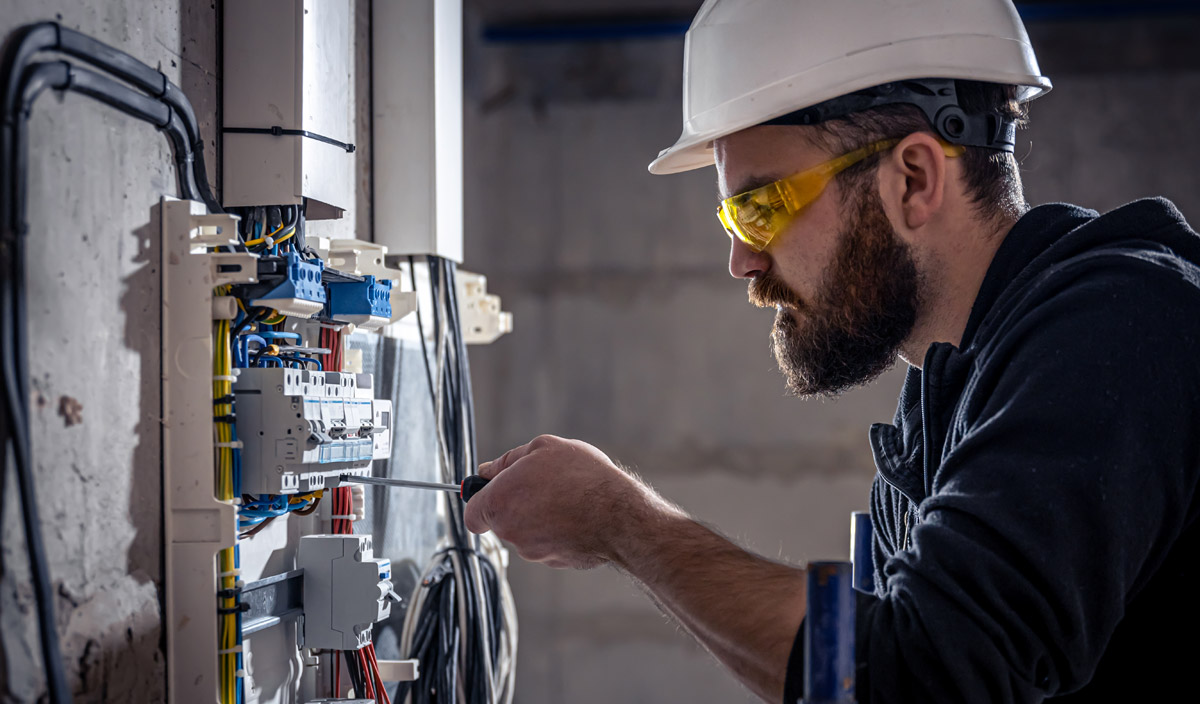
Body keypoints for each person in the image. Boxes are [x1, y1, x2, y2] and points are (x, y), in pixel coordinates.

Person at [463, 1, 1200, 701]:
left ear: (914, 177)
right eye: (731, 215)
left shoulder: (1121, 328)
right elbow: (864, 662)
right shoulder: (945, 402)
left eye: (761, 207)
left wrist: (625, 522)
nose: (742, 261)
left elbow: (917, 672)